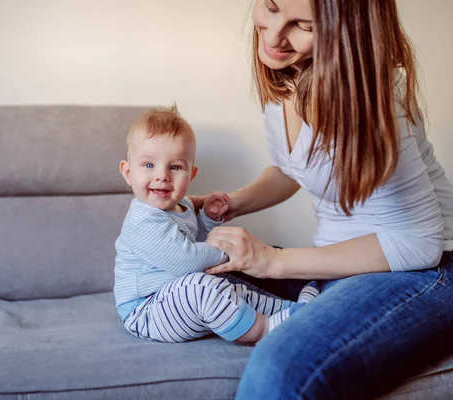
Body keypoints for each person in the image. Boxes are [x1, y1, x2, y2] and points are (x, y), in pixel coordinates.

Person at [190, 0, 453, 398]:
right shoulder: (286, 76)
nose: (274, 34)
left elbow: (419, 245)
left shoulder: (375, 96)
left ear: (344, 33)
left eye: (302, 25)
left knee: (279, 369)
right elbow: (291, 169)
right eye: (271, 7)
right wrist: (227, 202)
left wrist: (275, 261)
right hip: (345, 263)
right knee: (194, 272)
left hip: (426, 270)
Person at [113, 105, 318, 344]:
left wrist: (208, 219)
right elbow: (187, 261)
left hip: (178, 299)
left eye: (175, 167)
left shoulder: (183, 206)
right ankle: (264, 329)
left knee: (229, 284)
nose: (162, 176)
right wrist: (229, 251)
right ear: (128, 172)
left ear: (191, 175)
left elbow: (199, 241)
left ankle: (292, 310)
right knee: (202, 286)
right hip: (147, 310)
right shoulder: (143, 221)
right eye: (149, 165)